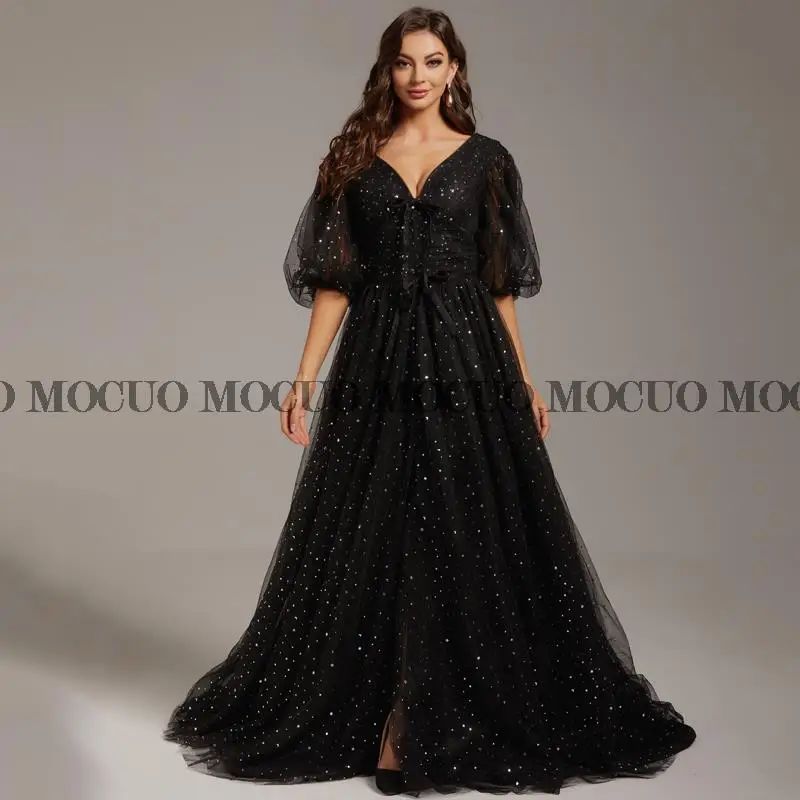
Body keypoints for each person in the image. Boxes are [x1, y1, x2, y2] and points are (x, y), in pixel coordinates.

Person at [163, 7, 697, 796]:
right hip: (377, 361)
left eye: (434, 61)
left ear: (455, 71)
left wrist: (524, 377)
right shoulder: (354, 159)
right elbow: (336, 283)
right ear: (388, 71)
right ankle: (393, 710)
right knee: (381, 518)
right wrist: (303, 377)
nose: (419, 76)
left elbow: (500, 284)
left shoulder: (487, 161)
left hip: (467, 358)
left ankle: (433, 712)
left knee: (462, 517)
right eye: (406, 62)